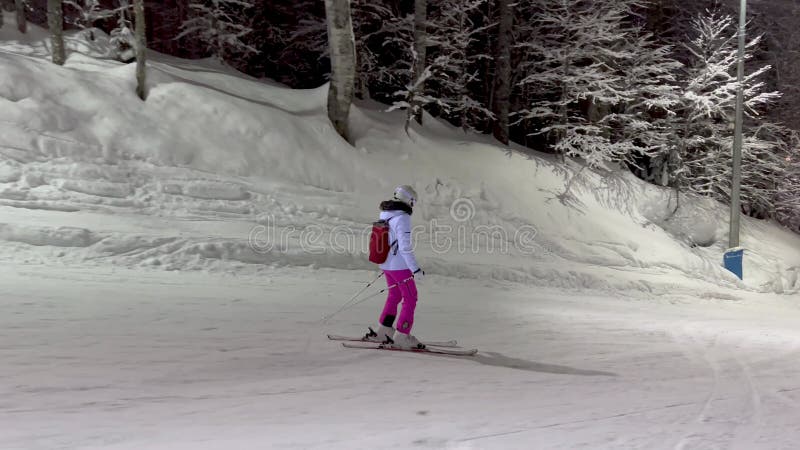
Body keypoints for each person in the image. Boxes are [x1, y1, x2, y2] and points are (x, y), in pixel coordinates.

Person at [365, 185, 425, 349]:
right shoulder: (402, 218)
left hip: (386, 264)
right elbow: (405, 247)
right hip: (399, 266)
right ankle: (402, 336)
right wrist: (415, 269)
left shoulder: (385, 213)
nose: (413, 206)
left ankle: (384, 330)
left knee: (395, 295)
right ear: (409, 200)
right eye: (413, 202)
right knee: (411, 298)